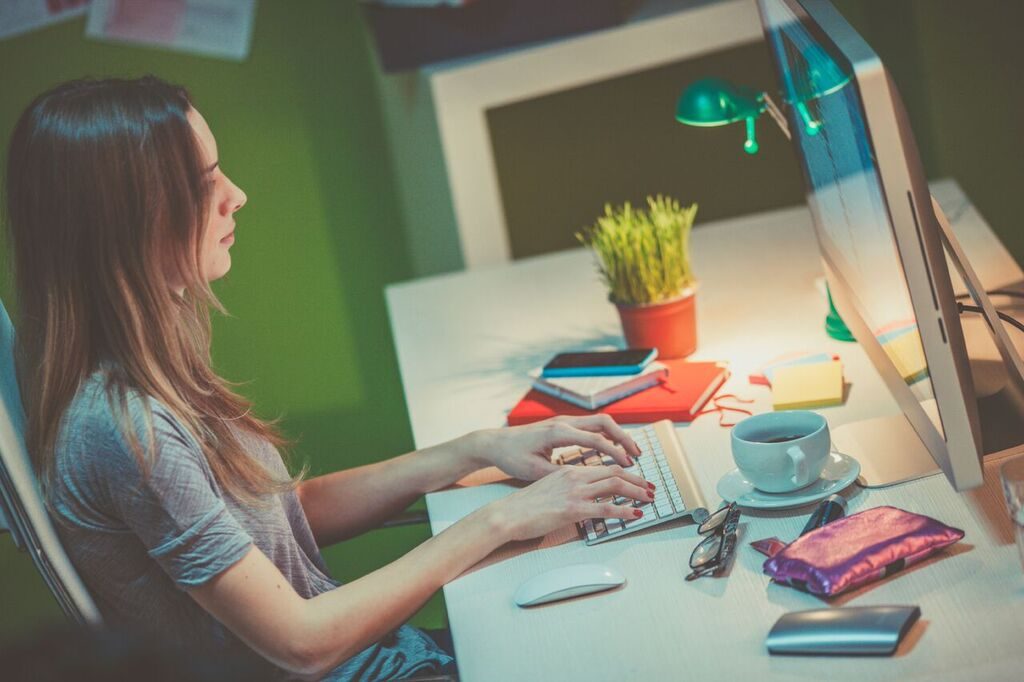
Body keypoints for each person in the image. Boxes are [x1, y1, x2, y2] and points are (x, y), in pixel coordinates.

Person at [4, 76, 654, 680]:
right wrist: (499, 523)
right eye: (203, 182)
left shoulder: (143, 369)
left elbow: (283, 512)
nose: (236, 195)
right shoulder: (122, 427)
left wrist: (476, 450)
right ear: (130, 221)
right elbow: (301, 642)